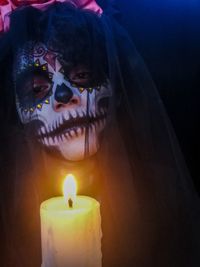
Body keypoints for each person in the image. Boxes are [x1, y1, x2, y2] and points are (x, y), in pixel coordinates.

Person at [0, 1, 200, 266]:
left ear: (115, 85)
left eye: (82, 74)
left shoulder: (158, 193)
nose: (63, 96)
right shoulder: (8, 213)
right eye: (37, 88)